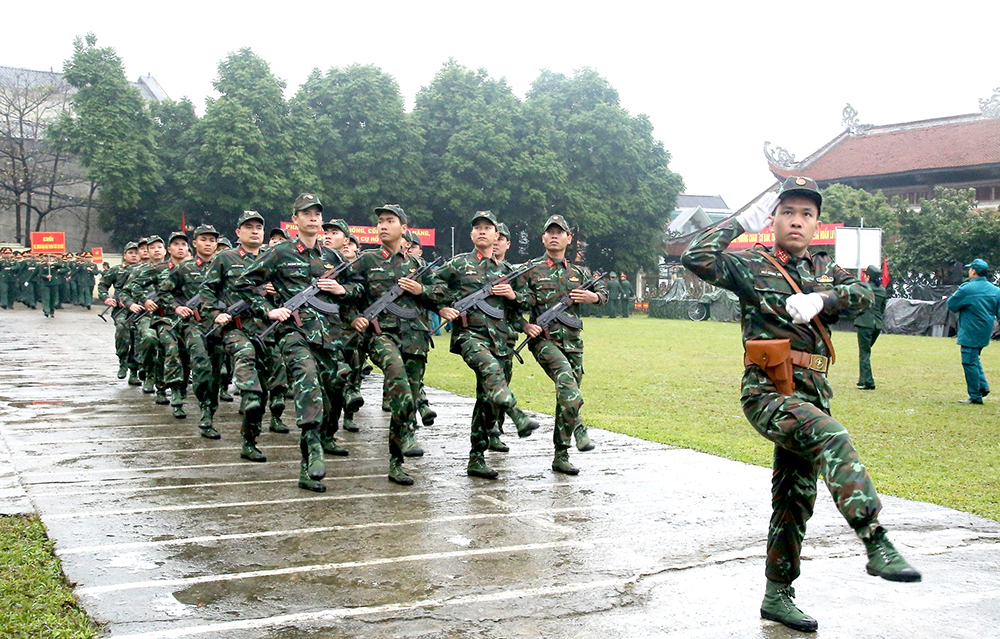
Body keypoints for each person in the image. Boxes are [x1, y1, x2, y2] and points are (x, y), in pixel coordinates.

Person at [682, 176, 920, 633]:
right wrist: (738, 223)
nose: (797, 221)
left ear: (816, 224)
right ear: (772, 219)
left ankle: (778, 595)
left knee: (795, 497)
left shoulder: (825, 269)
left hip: (812, 393)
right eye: (787, 212)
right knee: (832, 437)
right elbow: (697, 257)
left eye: (806, 214)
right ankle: (875, 541)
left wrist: (824, 298)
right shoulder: (751, 264)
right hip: (768, 392)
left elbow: (868, 295)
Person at [235, 193, 353, 493]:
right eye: (306, 213)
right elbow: (244, 283)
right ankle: (312, 454)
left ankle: (315, 451)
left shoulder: (333, 257)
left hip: (328, 337)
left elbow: (358, 287)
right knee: (307, 382)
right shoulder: (280, 253)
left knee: (330, 393)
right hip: (294, 333)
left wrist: (341, 289)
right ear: (295, 218)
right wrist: (267, 309)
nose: (313, 217)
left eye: (317, 213)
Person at [344, 204, 449, 485]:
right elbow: (348, 292)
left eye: (389, 221)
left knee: (410, 396)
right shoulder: (366, 260)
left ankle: (395, 461)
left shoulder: (416, 265)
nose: (382, 226)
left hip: (415, 337)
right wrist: (355, 317)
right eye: (380, 221)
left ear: (404, 228)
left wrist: (421, 289)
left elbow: (440, 292)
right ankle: (406, 437)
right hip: (381, 335)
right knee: (399, 383)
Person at [437, 211, 541, 479]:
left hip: (501, 341)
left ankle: (476, 458)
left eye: (488, 228)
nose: (482, 232)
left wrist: (513, 294)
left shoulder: (507, 272)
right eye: (477, 228)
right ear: (471, 235)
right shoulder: (458, 265)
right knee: (491, 371)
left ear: (497, 236)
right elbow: (431, 284)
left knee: (488, 398)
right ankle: (517, 415)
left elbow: (528, 301)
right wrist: (443, 306)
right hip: (470, 336)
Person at [519, 215, 608, 475]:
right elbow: (510, 304)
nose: (555, 236)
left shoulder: (580, 272)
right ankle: (579, 428)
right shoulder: (529, 269)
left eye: (560, 232)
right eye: (550, 232)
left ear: (569, 238)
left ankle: (561, 454)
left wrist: (593, 297)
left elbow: (604, 293)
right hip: (544, 341)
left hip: (573, 342)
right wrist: (524, 325)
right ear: (543, 238)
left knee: (566, 397)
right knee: (567, 384)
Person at [946, 258, 1000, 404]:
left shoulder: (967, 288)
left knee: (968, 362)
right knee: (974, 358)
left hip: (970, 331)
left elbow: (952, 304)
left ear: (974, 271)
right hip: (985, 331)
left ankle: (975, 395)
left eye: (970, 269)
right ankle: (982, 386)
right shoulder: (996, 290)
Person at [98, 242, 140, 379]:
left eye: (136, 253)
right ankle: (123, 362)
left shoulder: (144, 270)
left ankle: (134, 370)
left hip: (138, 309)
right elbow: (103, 285)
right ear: (125, 255)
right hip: (121, 310)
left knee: (136, 337)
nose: (134, 256)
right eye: (131, 253)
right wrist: (106, 298)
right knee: (122, 331)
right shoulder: (116, 270)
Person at [854, 264, 887, 390]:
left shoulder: (863, 288)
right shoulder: (882, 290)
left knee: (864, 353)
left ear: (868, 277)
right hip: (877, 325)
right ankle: (862, 379)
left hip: (864, 323)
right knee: (866, 352)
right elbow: (882, 308)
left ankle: (868, 382)